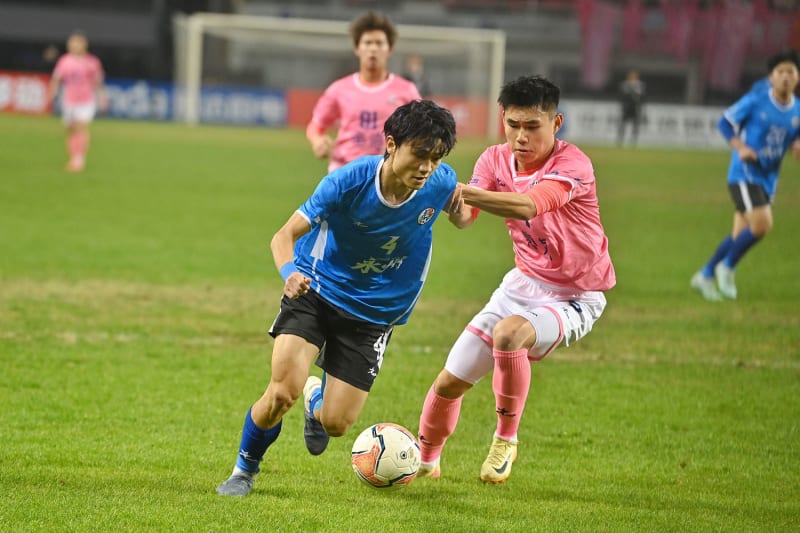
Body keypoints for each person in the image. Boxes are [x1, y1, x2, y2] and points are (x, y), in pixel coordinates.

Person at [216, 100, 467, 497]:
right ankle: (243, 469)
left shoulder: (440, 181)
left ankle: (317, 400)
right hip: (315, 289)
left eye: (436, 158)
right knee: (282, 392)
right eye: (420, 154)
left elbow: (462, 214)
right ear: (391, 144)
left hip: (376, 310)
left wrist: (460, 213)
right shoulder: (346, 182)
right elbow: (283, 236)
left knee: (336, 424)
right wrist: (288, 274)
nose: (427, 167)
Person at [415, 75, 616, 485]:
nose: (521, 137)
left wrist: (459, 190)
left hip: (575, 294)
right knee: (449, 381)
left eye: (533, 126)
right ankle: (423, 462)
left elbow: (528, 206)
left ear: (556, 123)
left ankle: (506, 439)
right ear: (502, 118)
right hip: (521, 284)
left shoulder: (572, 164)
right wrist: (452, 203)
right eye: (514, 125)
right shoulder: (493, 160)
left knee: (509, 335)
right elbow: (465, 219)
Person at [691, 49, 800, 301]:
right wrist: (741, 147)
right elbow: (725, 122)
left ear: (797, 78)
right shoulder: (757, 100)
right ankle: (726, 267)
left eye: (790, 72)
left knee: (740, 234)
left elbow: (794, 134)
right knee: (762, 225)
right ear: (771, 77)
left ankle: (705, 275)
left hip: (769, 178)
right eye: (780, 71)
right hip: (745, 174)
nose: (785, 76)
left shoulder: (797, 110)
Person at [306, 11, 421, 172]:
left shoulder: (406, 91)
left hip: (388, 175)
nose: (373, 48)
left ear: (390, 49)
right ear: (357, 48)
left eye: (379, 43)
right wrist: (318, 141)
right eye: (367, 43)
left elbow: (421, 130)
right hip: (344, 171)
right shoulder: (339, 89)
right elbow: (315, 126)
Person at [47, 31, 106, 172]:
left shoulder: (92, 62)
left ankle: (79, 159)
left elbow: (98, 82)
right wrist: (52, 93)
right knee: (71, 129)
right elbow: (56, 79)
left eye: (77, 42)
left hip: (86, 100)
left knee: (81, 127)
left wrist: (102, 97)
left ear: (84, 45)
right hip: (69, 100)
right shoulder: (64, 61)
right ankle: (73, 157)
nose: (74, 45)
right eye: (72, 43)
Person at [616, 68, 645, 147]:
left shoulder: (639, 86)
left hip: (634, 108)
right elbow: (621, 96)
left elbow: (642, 98)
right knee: (623, 125)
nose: (633, 78)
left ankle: (633, 141)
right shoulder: (625, 85)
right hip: (626, 108)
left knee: (635, 125)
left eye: (634, 76)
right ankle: (620, 141)